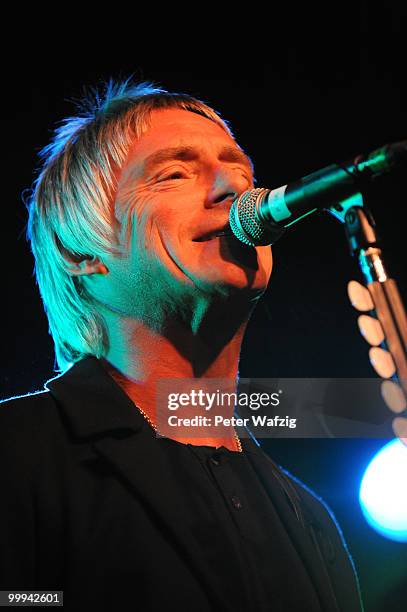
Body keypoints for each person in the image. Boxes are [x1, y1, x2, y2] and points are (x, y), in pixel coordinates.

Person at [0, 80, 363, 611]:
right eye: (173, 174)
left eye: (241, 172)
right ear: (82, 252)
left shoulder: (307, 517)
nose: (232, 189)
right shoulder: (18, 453)